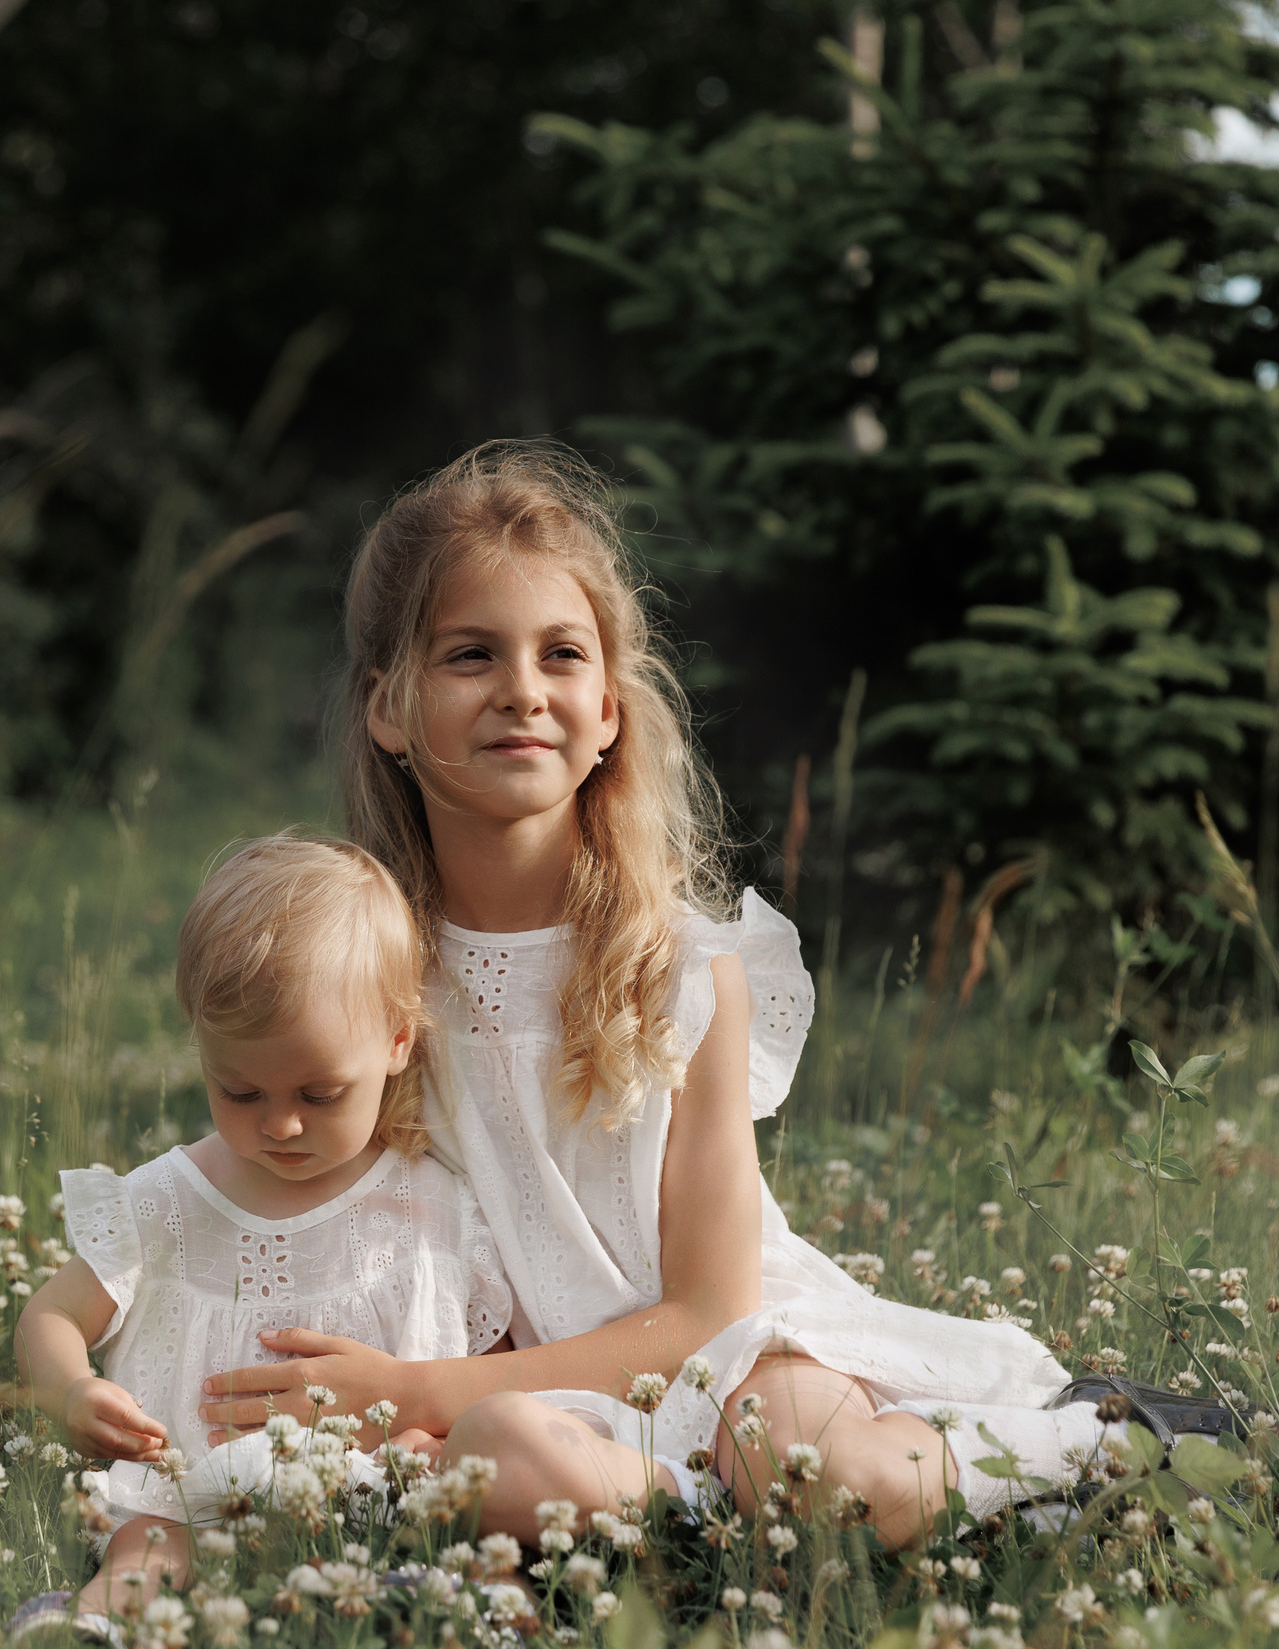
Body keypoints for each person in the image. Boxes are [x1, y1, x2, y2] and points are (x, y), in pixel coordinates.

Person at [196, 443, 1205, 1546]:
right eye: (470, 655)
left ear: (610, 711)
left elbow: (709, 1313)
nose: (522, 692)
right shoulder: (364, 978)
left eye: (562, 656)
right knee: (499, 1470)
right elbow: (280, 1195)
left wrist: (421, 1391)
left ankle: (1104, 1444)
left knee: (824, 1480)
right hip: (510, 1397)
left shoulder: (683, 967)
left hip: (727, 1362)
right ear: (388, 707)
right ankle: (698, 1537)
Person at [14, 833, 514, 1619]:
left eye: (319, 1094)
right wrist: (72, 1388)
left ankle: (461, 1612)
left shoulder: (434, 1205)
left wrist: (443, 1439)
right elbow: (51, 1314)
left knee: (450, 1486)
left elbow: (491, 1369)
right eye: (240, 1092)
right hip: (192, 1496)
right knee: (148, 1542)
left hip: (369, 1492)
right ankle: (92, 1625)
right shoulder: (168, 1200)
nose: (280, 1124)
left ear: (396, 1040)